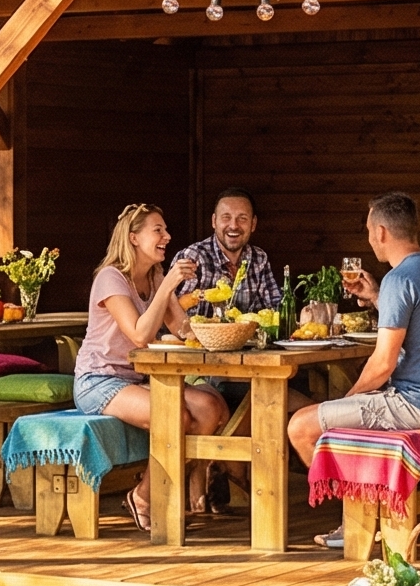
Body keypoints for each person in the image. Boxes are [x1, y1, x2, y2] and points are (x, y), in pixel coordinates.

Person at [287, 193, 420, 496]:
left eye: (369, 231)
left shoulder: (399, 279)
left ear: (381, 232)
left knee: (301, 426)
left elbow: (383, 364)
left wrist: (346, 400)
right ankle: (362, 509)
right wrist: (376, 297)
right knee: (342, 412)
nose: (370, 238)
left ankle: (355, 517)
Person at [76, 203, 227, 531]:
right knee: (177, 415)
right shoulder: (110, 278)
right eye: (157, 230)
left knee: (211, 406)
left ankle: (156, 490)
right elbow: (141, 334)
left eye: (165, 229)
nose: (167, 236)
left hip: (136, 379)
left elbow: (183, 330)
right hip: (99, 381)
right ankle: (145, 496)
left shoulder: (155, 277)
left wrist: (221, 322)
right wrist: (169, 284)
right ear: (133, 238)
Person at [169, 188, 283, 315]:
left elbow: (275, 308)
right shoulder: (193, 257)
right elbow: (170, 312)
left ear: (253, 224)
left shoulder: (259, 258)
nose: (234, 225)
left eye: (242, 218)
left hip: (246, 334)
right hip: (193, 335)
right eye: (226, 217)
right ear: (214, 221)